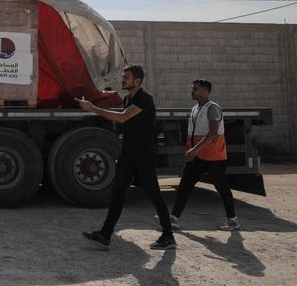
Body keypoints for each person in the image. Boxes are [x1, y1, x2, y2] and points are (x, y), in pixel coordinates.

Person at [76, 65, 177, 250]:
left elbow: (123, 117)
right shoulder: (127, 98)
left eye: (126, 77)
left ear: (137, 81)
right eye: (123, 77)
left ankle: (168, 236)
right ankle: (105, 234)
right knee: (118, 192)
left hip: (144, 153)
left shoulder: (145, 99)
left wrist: (93, 109)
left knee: (153, 192)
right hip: (128, 152)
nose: (123, 80)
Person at [168, 79, 239, 231]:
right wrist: (193, 151)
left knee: (222, 188)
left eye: (195, 89)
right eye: (192, 88)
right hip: (198, 157)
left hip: (214, 157)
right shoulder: (195, 108)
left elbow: (213, 133)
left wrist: (194, 150)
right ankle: (173, 218)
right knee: (185, 186)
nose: (192, 91)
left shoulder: (212, 108)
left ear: (206, 91)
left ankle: (232, 220)